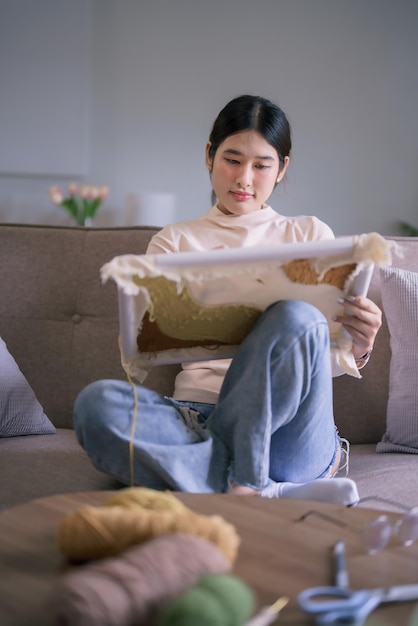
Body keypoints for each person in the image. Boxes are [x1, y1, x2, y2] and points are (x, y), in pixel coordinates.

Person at [73, 95, 382, 505]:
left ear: (282, 168)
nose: (244, 179)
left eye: (261, 165)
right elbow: (154, 346)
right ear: (209, 155)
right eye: (232, 160)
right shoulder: (174, 242)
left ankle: (219, 477)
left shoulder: (310, 236)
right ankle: (259, 489)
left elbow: (315, 363)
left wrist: (357, 348)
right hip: (197, 420)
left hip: (288, 436)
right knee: (96, 405)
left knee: (295, 317)